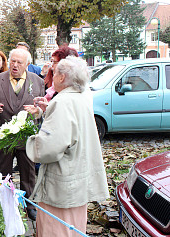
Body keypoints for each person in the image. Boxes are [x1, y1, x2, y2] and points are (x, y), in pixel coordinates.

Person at [26, 56, 109, 236]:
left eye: (54, 73)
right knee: (75, 228)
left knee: (58, 229)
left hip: (62, 185)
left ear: (62, 77)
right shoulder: (80, 97)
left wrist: (31, 141)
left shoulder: (62, 101)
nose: (52, 77)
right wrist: (46, 112)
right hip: (77, 180)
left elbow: (50, 148)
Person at [0, 48, 45, 221]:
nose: (15, 65)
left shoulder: (38, 81)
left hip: (27, 137)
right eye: (13, 61)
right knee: (4, 173)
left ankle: (29, 205)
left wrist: (38, 110)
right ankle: (5, 204)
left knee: (29, 173)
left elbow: (43, 107)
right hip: (3, 136)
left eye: (19, 62)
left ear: (27, 64)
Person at [24, 46, 79, 117]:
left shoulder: (71, 93)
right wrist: (41, 110)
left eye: (54, 62)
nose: (51, 66)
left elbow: (62, 117)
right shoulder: (53, 82)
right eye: (51, 61)